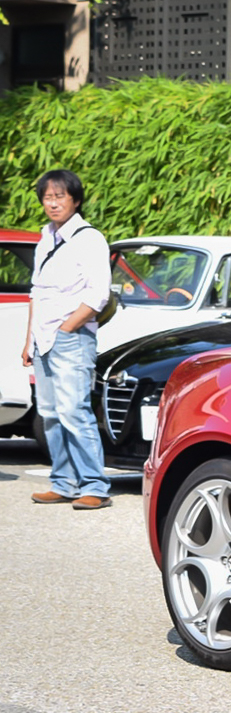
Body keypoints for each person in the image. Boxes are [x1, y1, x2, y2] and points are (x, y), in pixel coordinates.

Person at [21, 169, 113, 509]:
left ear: (75, 199)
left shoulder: (89, 239)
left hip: (71, 338)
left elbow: (98, 294)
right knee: (50, 413)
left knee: (75, 411)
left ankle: (94, 486)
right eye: (47, 197)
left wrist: (67, 328)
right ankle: (63, 482)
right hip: (42, 339)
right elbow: (37, 292)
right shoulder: (46, 236)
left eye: (59, 196)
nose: (53, 203)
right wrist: (29, 339)